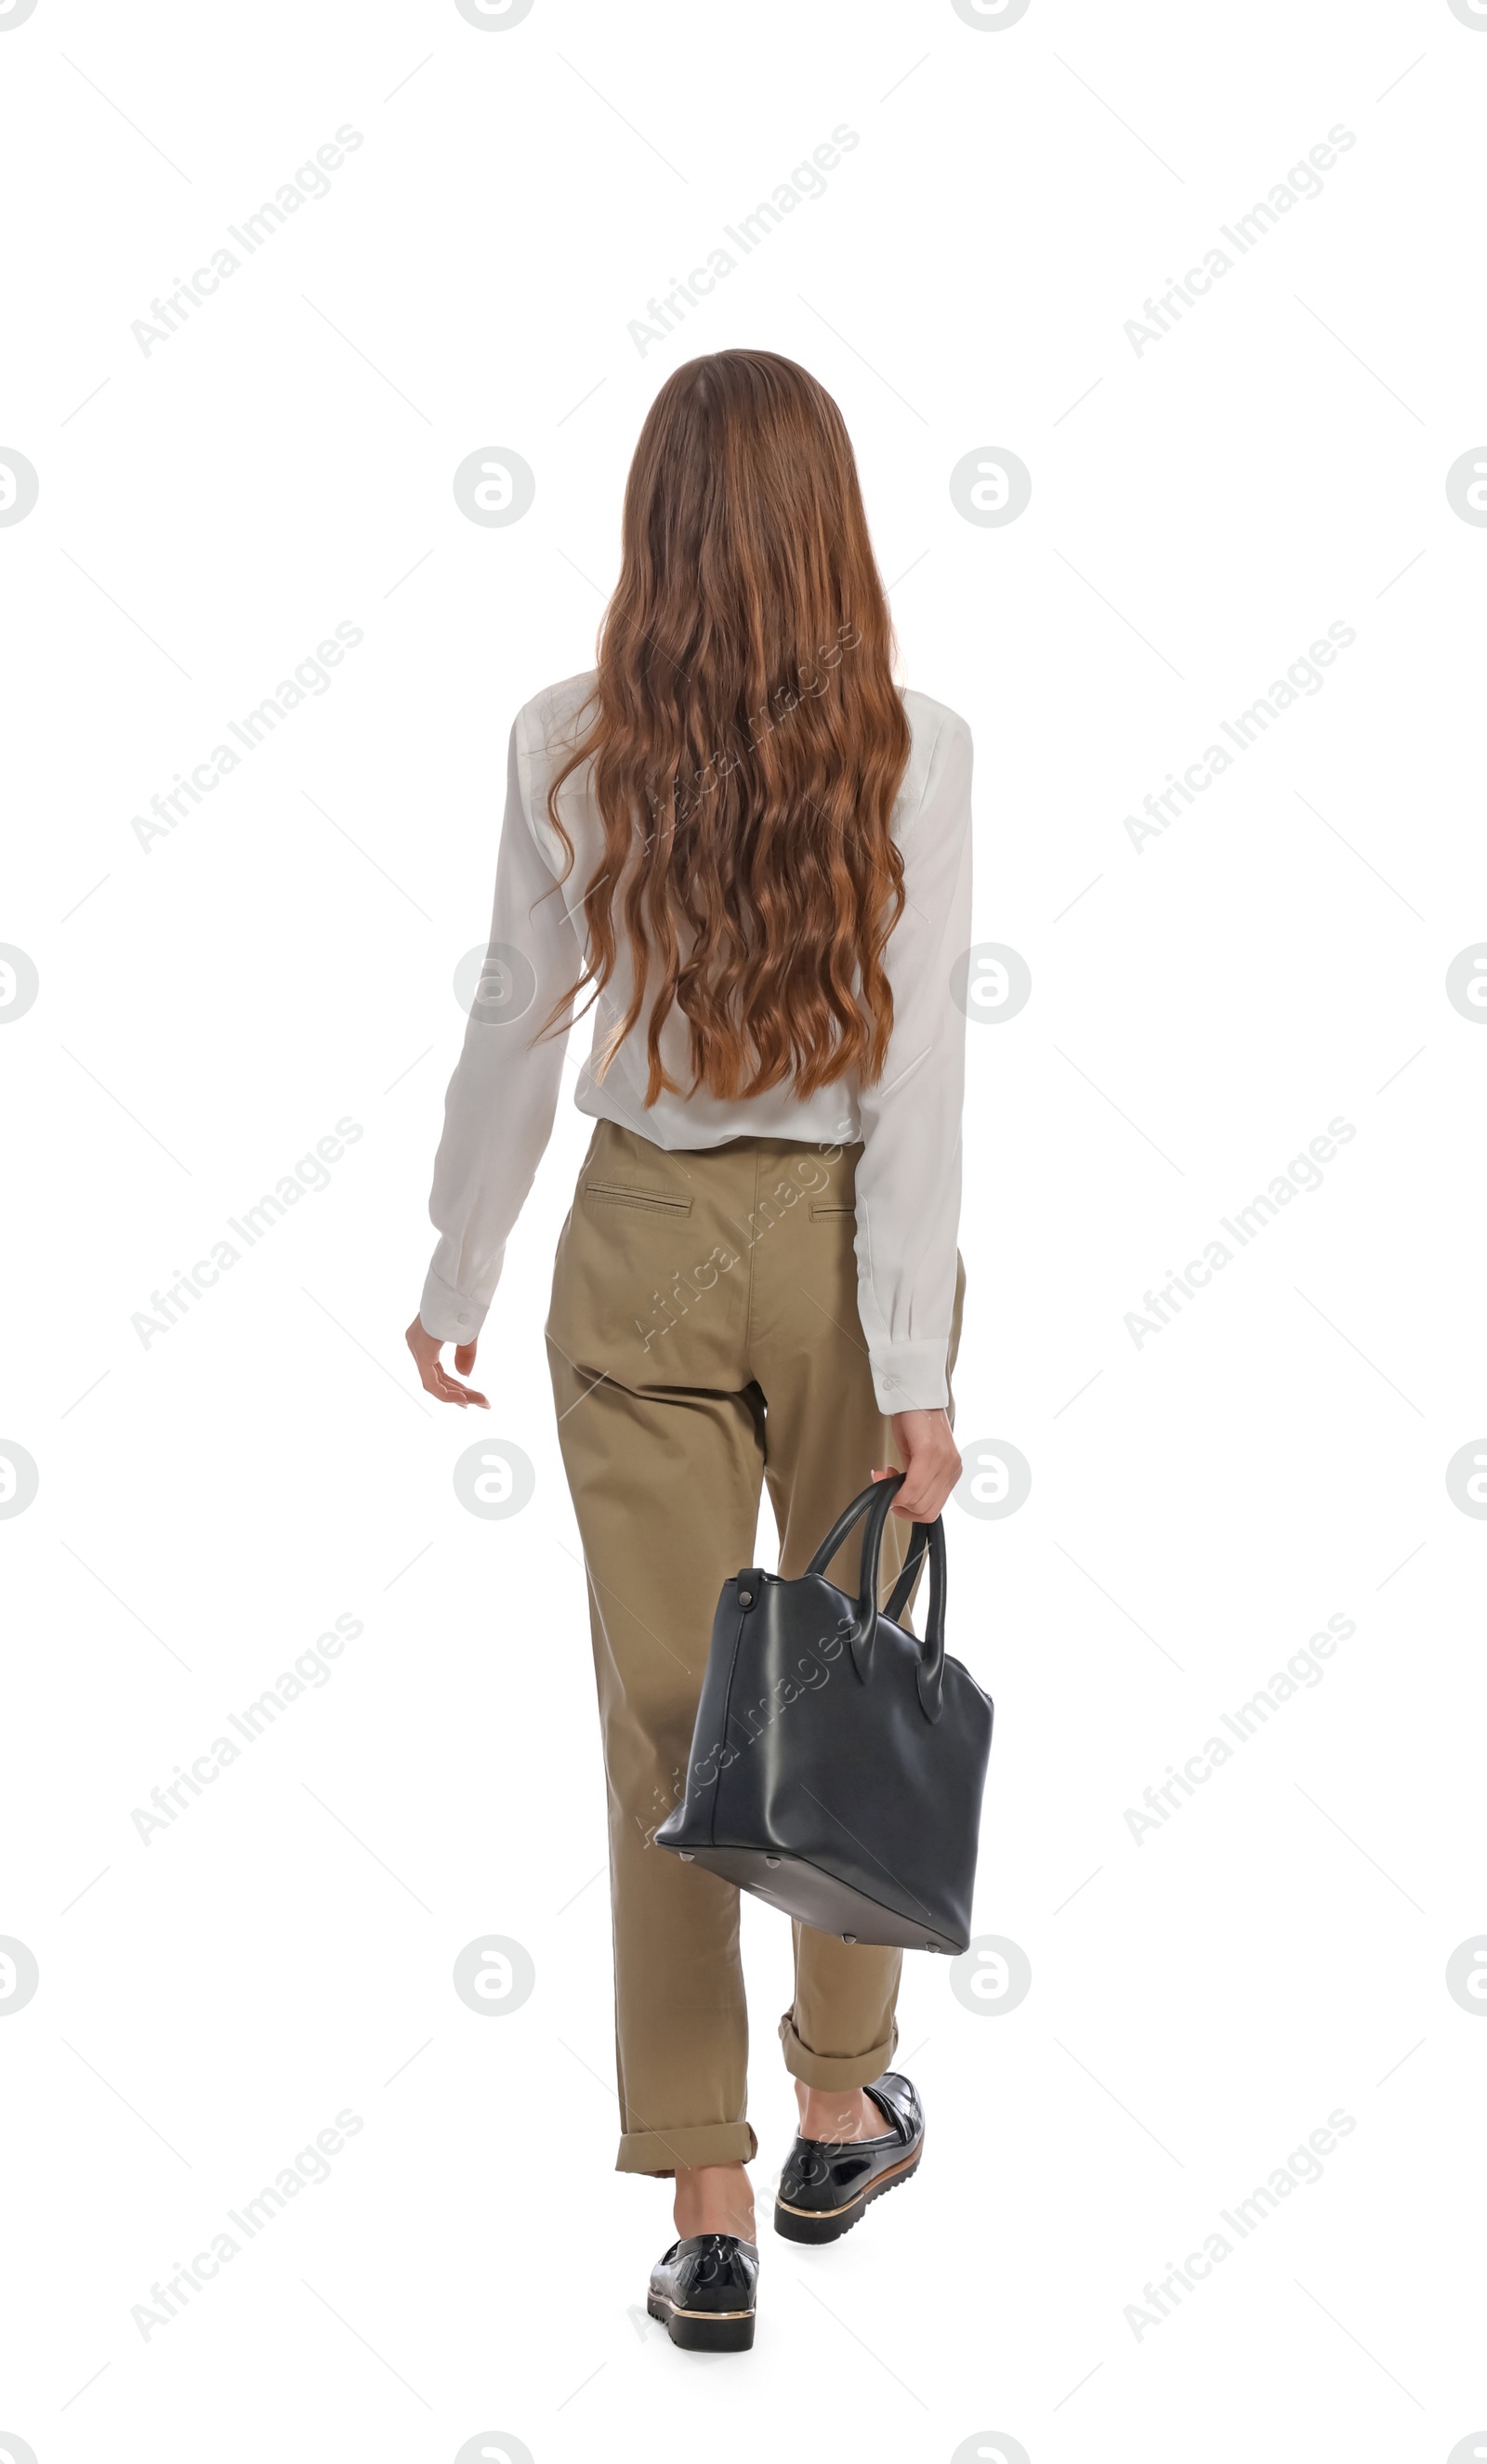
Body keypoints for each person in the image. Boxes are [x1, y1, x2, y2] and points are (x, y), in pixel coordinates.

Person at [406, 348, 973, 2353]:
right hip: (831, 1253)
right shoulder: (911, 747)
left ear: (652, 521)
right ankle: (837, 2103)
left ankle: (707, 2204)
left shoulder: (568, 736)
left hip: (632, 1236)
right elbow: (917, 1087)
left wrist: (456, 1267)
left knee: (668, 1738)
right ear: (829, 524)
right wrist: (912, 1361)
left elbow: (509, 1019)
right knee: (834, 1687)